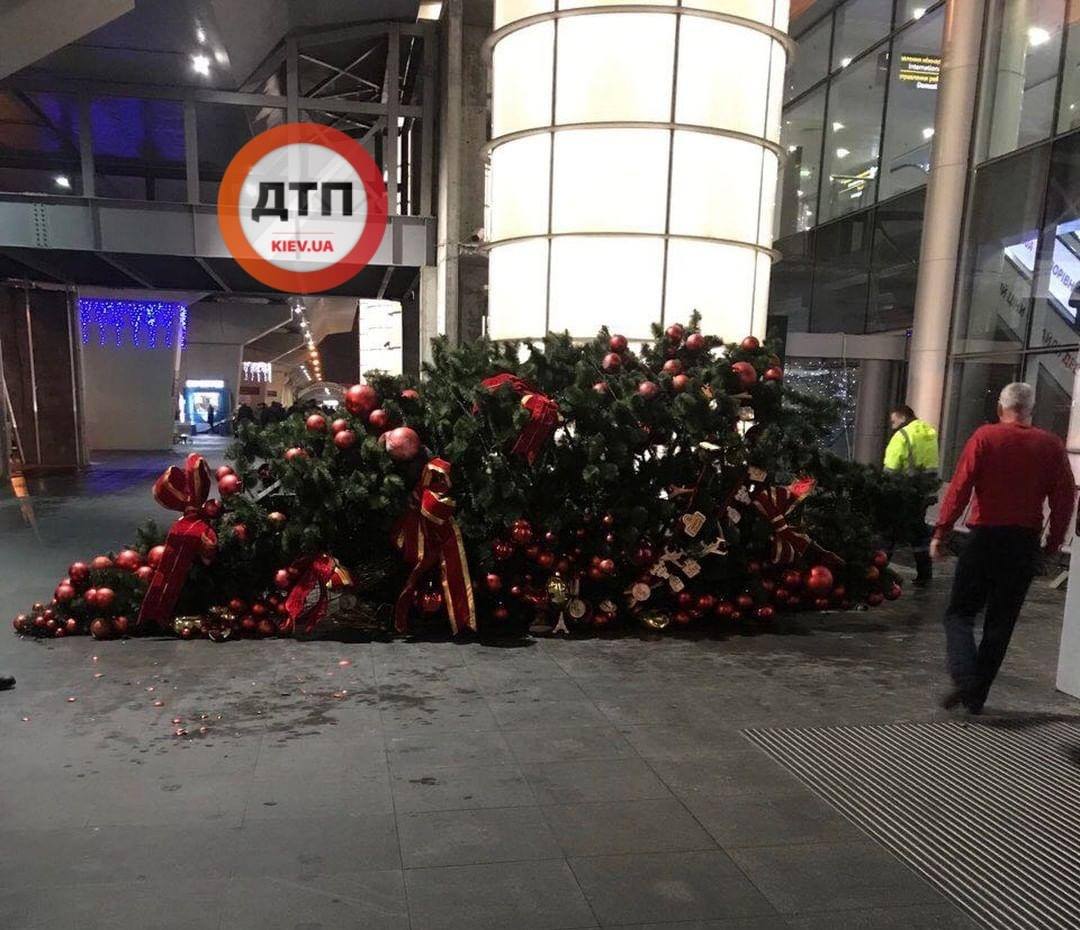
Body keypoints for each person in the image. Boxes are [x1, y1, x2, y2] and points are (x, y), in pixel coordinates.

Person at [932, 383, 1075, 713]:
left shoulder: (985, 437)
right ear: (1031, 409)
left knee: (959, 613)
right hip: (1023, 543)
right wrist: (1051, 545)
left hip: (984, 538)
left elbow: (960, 487)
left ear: (1001, 407)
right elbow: (1064, 500)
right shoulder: (1051, 445)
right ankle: (977, 695)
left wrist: (941, 531)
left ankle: (966, 677)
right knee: (1001, 621)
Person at [883, 404, 939, 584]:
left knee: (888, 533)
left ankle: (879, 572)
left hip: (902, 493)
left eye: (893, 420)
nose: (892, 424)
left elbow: (890, 469)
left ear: (901, 416)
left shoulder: (902, 436)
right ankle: (925, 574)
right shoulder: (928, 433)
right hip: (923, 493)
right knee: (919, 534)